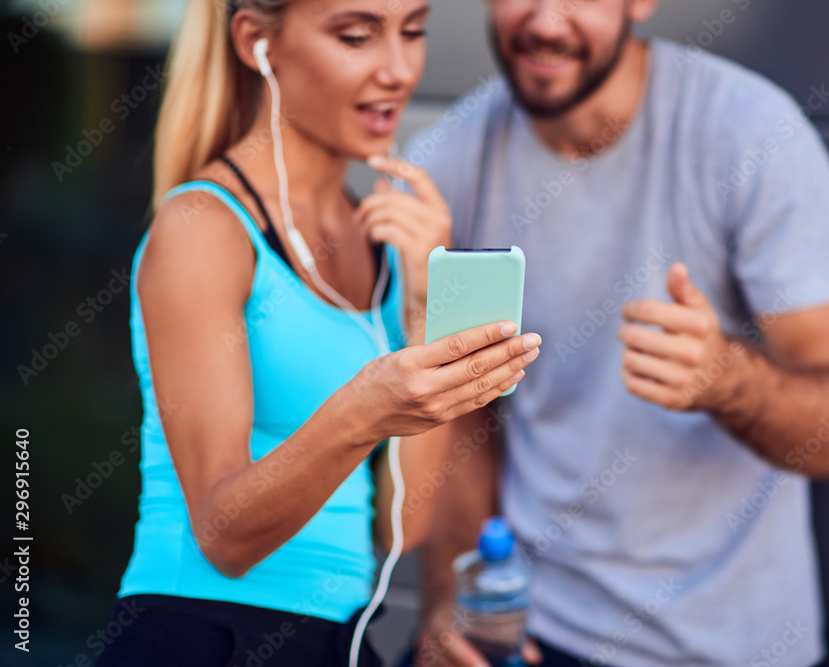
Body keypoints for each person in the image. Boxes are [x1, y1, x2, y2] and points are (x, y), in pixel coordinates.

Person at [405, 0, 829, 665]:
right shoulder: (450, 158)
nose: (547, 22)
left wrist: (727, 379)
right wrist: (451, 608)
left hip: (727, 647)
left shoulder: (751, 132)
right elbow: (465, 418)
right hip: (535, 630)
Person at [97, 0, 541, 665]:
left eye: (414, 32)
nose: (398, 69)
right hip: (201, 632)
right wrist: (364, 407)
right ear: (257, 42)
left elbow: (401, 528)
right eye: (357, 36)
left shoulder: (387, 249)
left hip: (338, 640)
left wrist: (425, 305)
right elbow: (225, 537)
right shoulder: (203, 227)